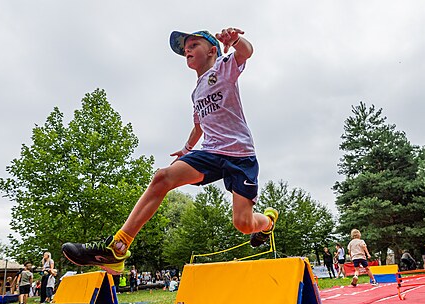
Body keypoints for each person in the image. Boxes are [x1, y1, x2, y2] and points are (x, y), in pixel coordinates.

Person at [61, 27, 278, 275]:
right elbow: (199, 126)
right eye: (185, 50)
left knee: (243, 223)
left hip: (240, 155)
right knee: (162, 177)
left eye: (193, 45)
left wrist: (236, 40)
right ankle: (118, 248)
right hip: (212, 152)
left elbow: (246, 52)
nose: (187, 51)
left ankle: (268, 222)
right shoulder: (196, 92)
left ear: (212, 50)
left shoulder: (223, 68)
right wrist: (187, 149)